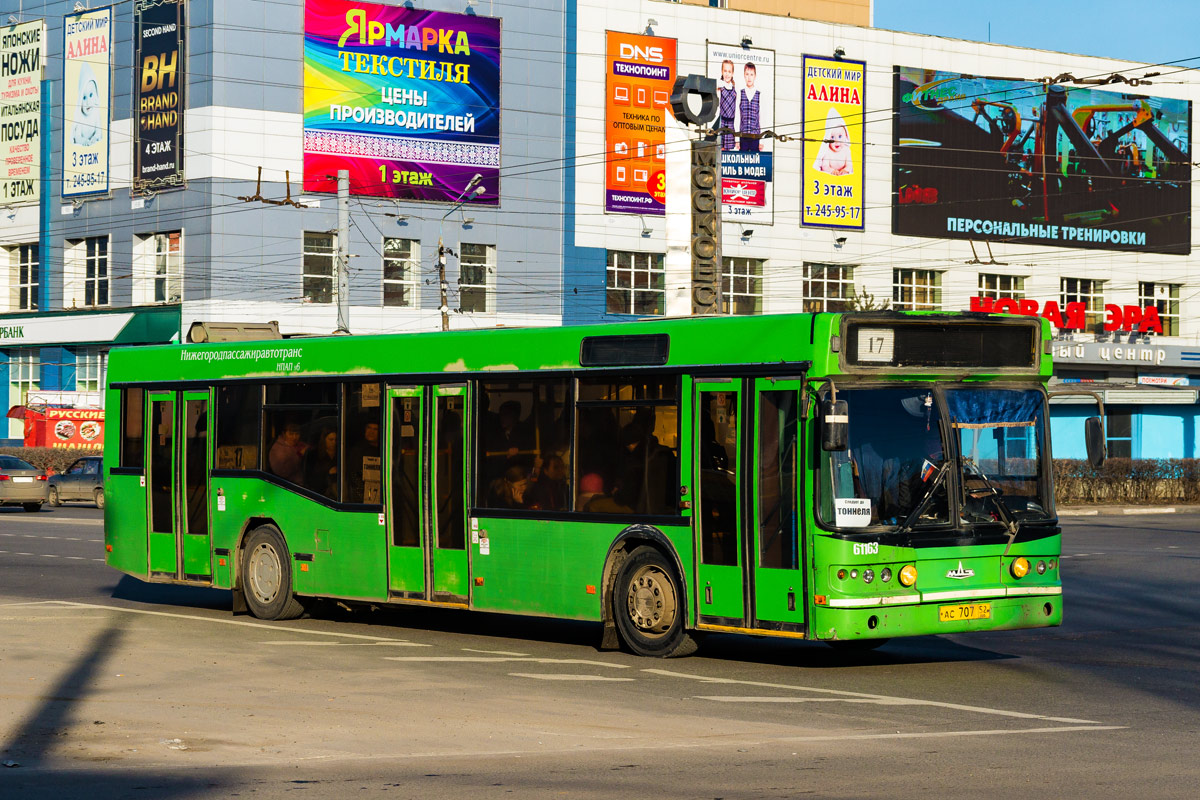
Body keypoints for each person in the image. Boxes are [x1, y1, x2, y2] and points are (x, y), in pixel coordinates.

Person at [812, 108, 853, 176]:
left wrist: (846, 170)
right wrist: (832, 171)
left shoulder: (846, 150)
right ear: (828, 137)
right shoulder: (827, 151)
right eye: (832, 137)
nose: (836, 141)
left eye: (840, 136)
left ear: (846, 135)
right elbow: (825, 166)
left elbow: (849, 165)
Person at [71, 62, 104, 148]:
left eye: (91, 95)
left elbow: (99, 132)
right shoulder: (79, 117)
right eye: (84, 98)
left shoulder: (96, 112)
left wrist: (95, 138)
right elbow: (77, 137)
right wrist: (84, 141)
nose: (88, 102)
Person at [308, 427, 338, 499]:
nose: (334, 442)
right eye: (331, 439)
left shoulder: (341, 454)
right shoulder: (314, 455)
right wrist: (328, 472)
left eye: (336, 440)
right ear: (324, 440)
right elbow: (310, 478)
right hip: (320, 495)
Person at [738, 62, 761, 152]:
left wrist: (762, 140)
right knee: (743, 161)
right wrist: (736, 138)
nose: (749, 77)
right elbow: (738, 117)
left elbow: (761, 117)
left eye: (751, 74)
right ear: (744, 75)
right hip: (743, 136)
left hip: (755, 137)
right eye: (747, 74)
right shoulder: (741, 93)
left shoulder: (759, 94)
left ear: (755, 76)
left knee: (755, 161)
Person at [718, 59, 738, 151]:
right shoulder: (720, 86)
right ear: (722, 72)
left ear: (732, 73)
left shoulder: (734, 89)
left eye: (729, 71)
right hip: (722, 122)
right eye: (725, 71)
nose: (727, 74)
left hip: (731, 123)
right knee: (720, 148)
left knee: (728, 150)